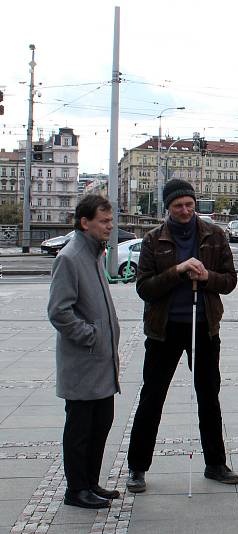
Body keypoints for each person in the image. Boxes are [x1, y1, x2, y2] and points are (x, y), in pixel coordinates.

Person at [126, 179, 238, 493]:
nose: (186, 210)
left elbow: (229, 281)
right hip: (164, 328)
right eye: (178, 206)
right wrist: (176, 271)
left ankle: (215, 463)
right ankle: (137, 467)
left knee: (208, 395)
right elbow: (144, 287)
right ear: (168, 208)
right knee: (152, 396)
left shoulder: (215, 235)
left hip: (204, 325)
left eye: (189, 204)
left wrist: (206, 277)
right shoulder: (152, 240)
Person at [48, 194, 121, 509]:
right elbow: (59, 312)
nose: (110, 226)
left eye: (110, 220)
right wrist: (90, 335)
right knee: (80, 430)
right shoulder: (70, 257)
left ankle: (91, 483)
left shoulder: (93, 253)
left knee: (101, 424)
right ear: (85, 222)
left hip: (101, 363)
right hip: (83, 363)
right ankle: (76, 489)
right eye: (103, 221)